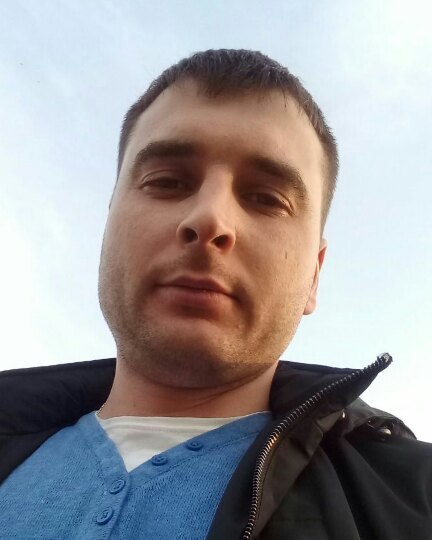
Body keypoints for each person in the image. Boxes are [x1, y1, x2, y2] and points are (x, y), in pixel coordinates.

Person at [0, 49, 430, 540]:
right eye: (166, 182)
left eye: (266, 199)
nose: (209, 219)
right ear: (108, 227)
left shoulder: (414, 499)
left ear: (314, 275)